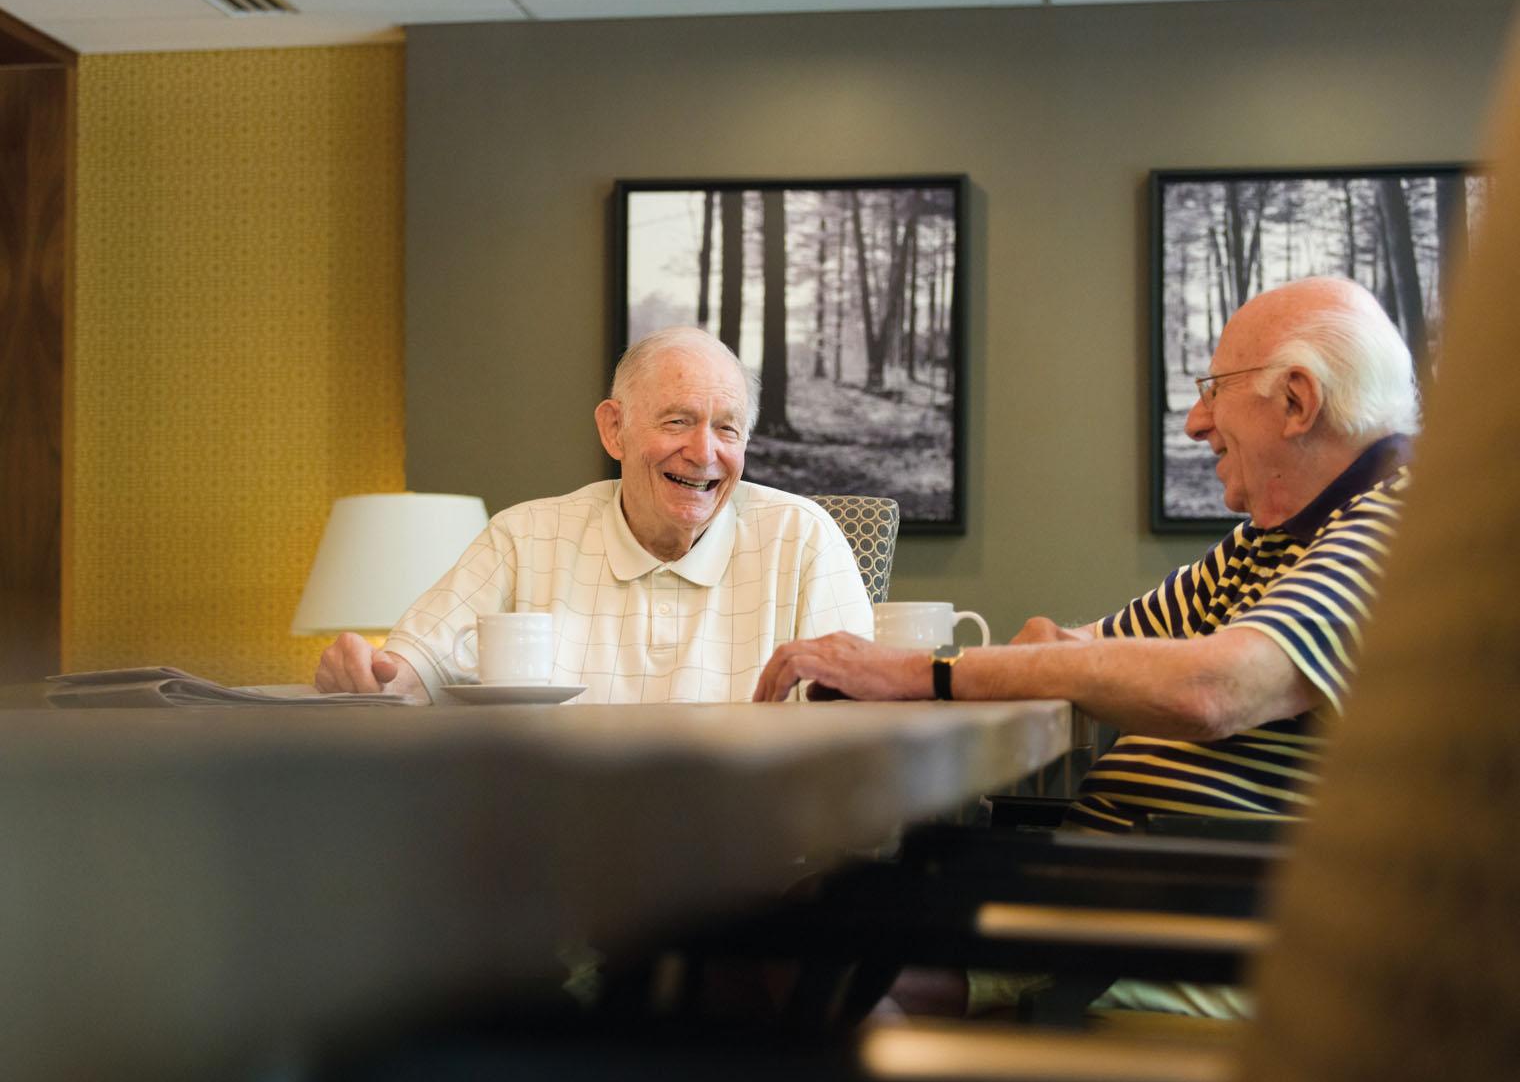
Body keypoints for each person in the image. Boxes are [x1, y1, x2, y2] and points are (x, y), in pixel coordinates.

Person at [755, 276, 1416, 1015]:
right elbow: (1091, 646)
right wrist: (1049, 655)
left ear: (1296, 400)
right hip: (1119, 888)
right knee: (783, 924)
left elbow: (1212, 689)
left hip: (1207, 927)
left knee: (785, 958)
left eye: (1214, 388)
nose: (1196, 421)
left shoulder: (1394, 524)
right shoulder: (1271, 539)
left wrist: (920, 670)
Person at [316, 326, 873, 702]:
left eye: (726, 428)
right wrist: (367, 677)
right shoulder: (524, 535)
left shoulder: (803, 539)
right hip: (558, 847)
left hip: (755, 848)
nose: (705, 453)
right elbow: (414, 670)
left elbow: (854, 731)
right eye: (677, 422)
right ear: (614, 429)